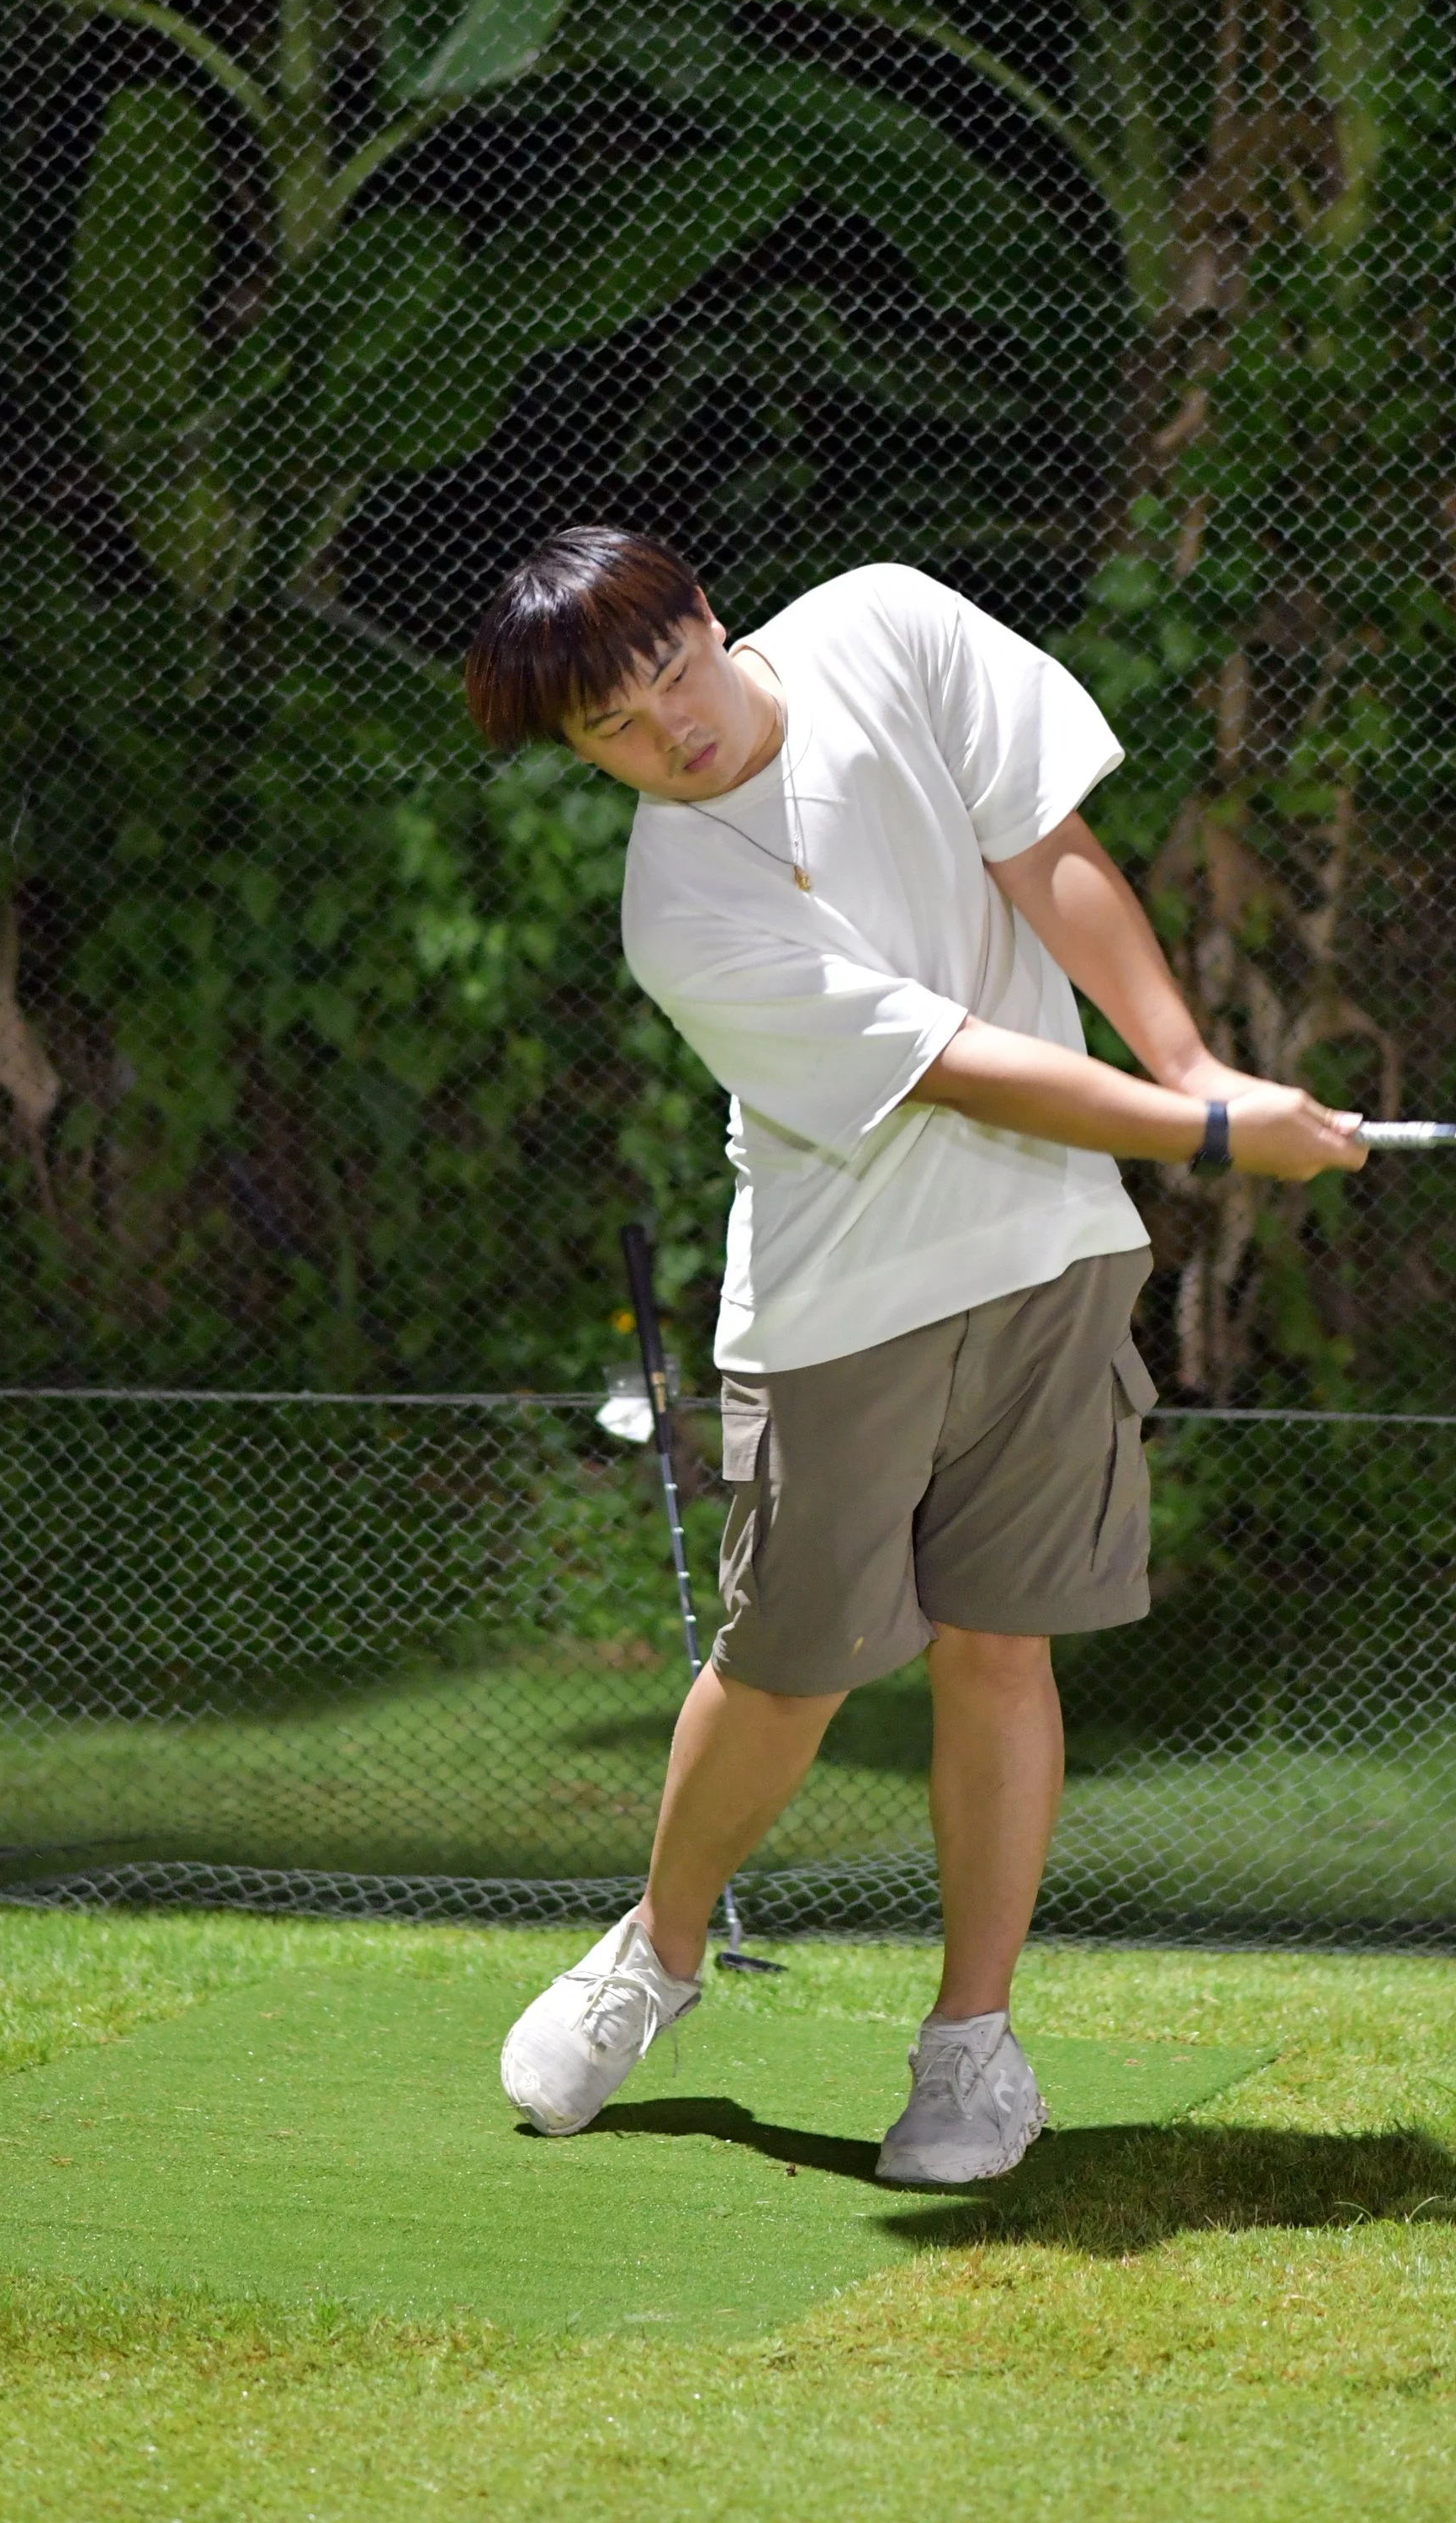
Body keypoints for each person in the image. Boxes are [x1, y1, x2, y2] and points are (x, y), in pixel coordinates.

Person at [463, 531, 1363, 2186]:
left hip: (1048, 1260)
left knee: (999, 1649)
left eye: (670, 675)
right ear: (580, 756)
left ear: (705, 616)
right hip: (836, 1307)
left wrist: (1192, 1061)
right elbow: (953, 1065)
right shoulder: (684, 907)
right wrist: (1207, 1134)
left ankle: (968, 2052)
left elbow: (1045, 851)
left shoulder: (888, 624)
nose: (674, 732)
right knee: (788, 1668)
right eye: (616, 731)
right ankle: (655, 1956)